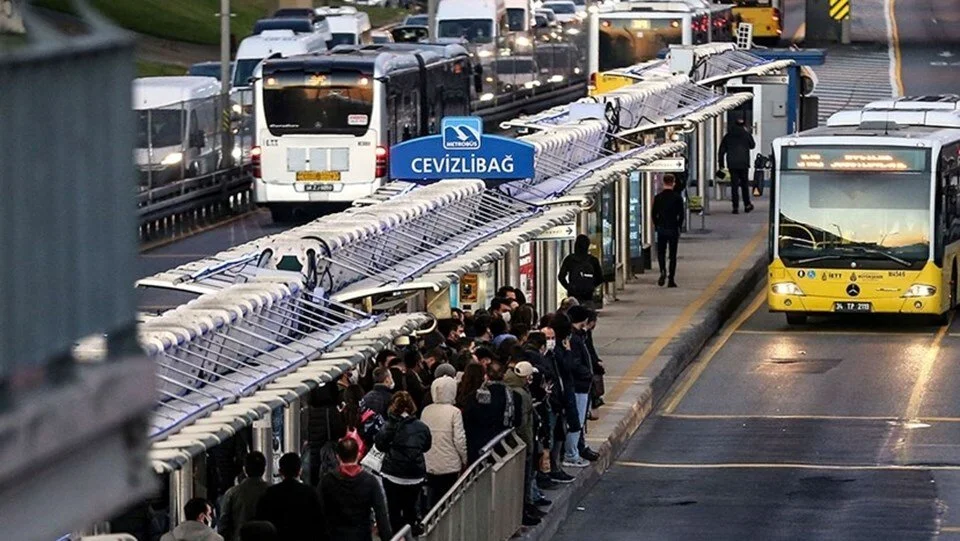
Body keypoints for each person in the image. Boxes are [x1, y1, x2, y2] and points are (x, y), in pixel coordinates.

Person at [376, 391, 433, 536]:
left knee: (393, 509)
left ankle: (396, 536)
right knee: (411, 507)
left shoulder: (389, 426)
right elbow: (426, 446)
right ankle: (410, 533)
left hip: (392, 473)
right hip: (415, 475)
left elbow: (380, 445)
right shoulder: (422, 427)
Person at [320, 437, 392, 541]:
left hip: (334, 536)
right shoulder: (370, 481)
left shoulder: (327, 481)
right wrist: (387, 537)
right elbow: (381, 515)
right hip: (362, 536)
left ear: (338, 457)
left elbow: (318, 511)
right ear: (358, 456)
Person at [420, 376, 468, 507]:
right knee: (448, 498)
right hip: (450, 463)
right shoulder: (454, 412)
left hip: (429, 462)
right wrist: (464, 458)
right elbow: (459, 439)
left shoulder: (426, 411)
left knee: (432, 496)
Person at [255, 453, 326, 541]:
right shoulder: (311, 493)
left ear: (280, 471)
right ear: (300, 470)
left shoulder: (270, 493)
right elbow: (320, 524)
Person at [462, 361, 521, 462]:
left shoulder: (474, 397)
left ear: (486, 376)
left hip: (477, 446)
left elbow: (467, 420)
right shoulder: (514, 396)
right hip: (502, 445)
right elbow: (517, 421)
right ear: (503, 376)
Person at [219, 452, 269, 541]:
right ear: (264, 469)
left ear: (244, 469)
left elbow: (223, 526)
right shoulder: (272, 491)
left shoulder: (232, 493)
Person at [652, 173, 685, 288]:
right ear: (673, 183)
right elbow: (681, 215)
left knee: (661, 252)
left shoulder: (658, 197)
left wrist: (657, 225)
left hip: (661, 228)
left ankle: (662, 271)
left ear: (663, 182)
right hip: (673, 229)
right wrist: (679, 226)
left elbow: (653, 214)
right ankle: (671, 279)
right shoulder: (677, 198)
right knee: (672, 255)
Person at [718, 117, 756, 214]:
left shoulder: (728, 135)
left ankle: (735, 207)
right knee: (744, 185)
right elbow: (752, 145)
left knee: (734, 186)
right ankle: (747, 205)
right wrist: (747, 133)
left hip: (732, 164)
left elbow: (721, 151)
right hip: (743, 163)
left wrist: (721, 165)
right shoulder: (746, 134)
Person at [558, 235, 603, 306]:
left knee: (572, 314)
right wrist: (591, 286)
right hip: (588, 296)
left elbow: (561, 277)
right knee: (589, 313)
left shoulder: (569, 259)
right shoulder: (593, 260)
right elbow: (600, 278)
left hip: (573, 296)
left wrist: (569, 287)